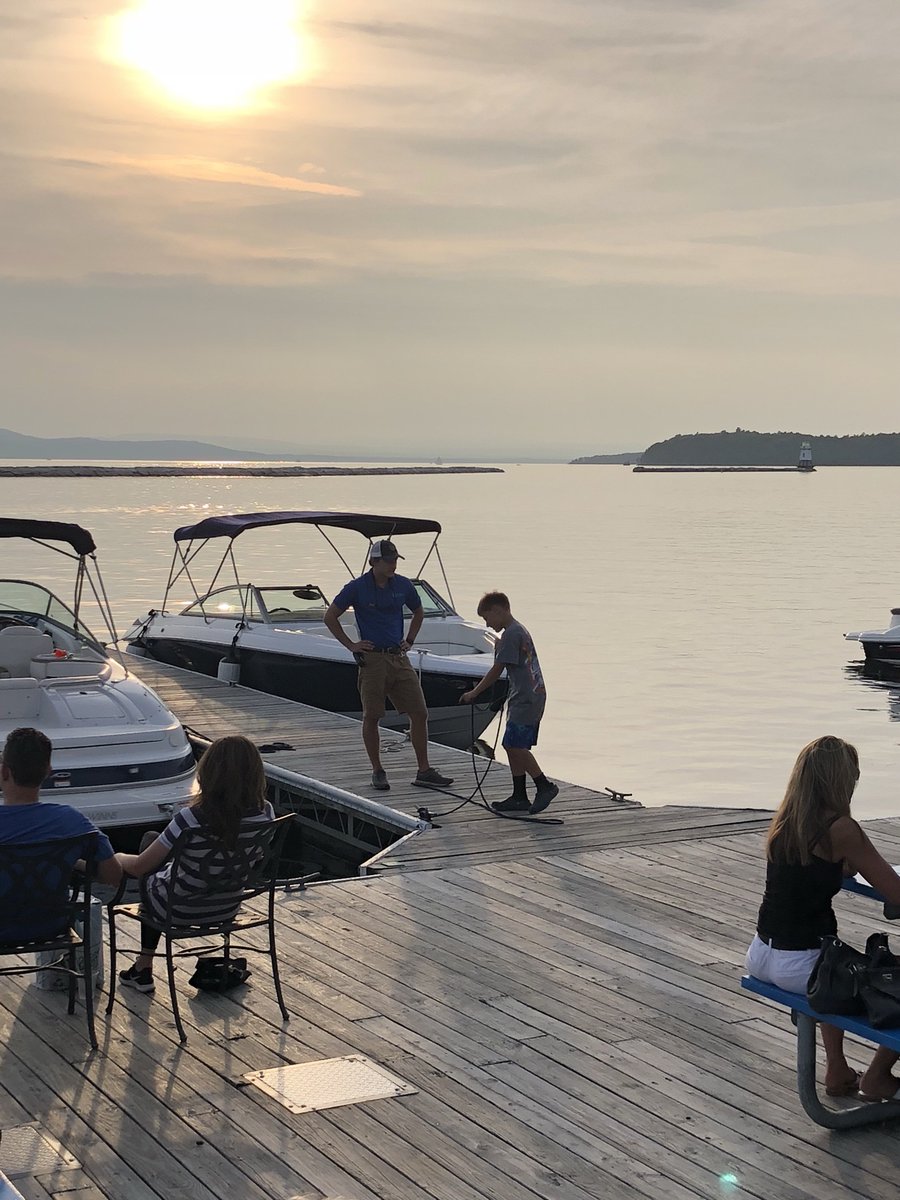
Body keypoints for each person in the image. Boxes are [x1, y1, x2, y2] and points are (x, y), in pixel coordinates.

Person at [746, 735, 900, 1102]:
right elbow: (895, 893)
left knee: (838, 959)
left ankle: (837, 1069)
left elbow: (823, 868)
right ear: (840, 780)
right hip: (802, 964)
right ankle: (877, 1077)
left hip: (763, 954)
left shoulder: (787, 821)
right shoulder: (841, 829)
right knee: (885, 982)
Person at [114, 735, 275, 994]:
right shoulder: (266, 813)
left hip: (177, 909)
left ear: (208, 771)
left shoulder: (190, 819)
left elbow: (139, 868)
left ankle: (143, 968)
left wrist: (119, 858)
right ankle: (142, 966)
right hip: (226, 907)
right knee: (164, 871)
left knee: (150, 844)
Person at [323, 539, 452, 793]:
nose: (393, 564)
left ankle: (424, 770)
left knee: (420, 712)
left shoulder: (403, 585)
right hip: (372, 660)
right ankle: (377, 770)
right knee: (372, 716)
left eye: (395, 560)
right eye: (389, 560)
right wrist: (351, 645)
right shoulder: (357, 587)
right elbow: (330, 616)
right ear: (374, 562)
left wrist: (410, 640)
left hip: (398, 656)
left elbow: (418, 611)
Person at [0, 726, 122, 942]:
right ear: (48, 771)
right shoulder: (72, 821)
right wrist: (72, 862)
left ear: (4, 771)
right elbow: (113, 875)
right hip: (51, 926)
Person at [460, 592, 558, 814]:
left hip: (527, 697)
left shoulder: (512, 634)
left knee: (515, 745)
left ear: (499, 610)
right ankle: (519, 796)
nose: (487, 623)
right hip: (525, 695)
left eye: (487, 618)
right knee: (510, 744)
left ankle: (544, 786)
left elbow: (497, 670)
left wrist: (474, 692)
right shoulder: (516, 631)